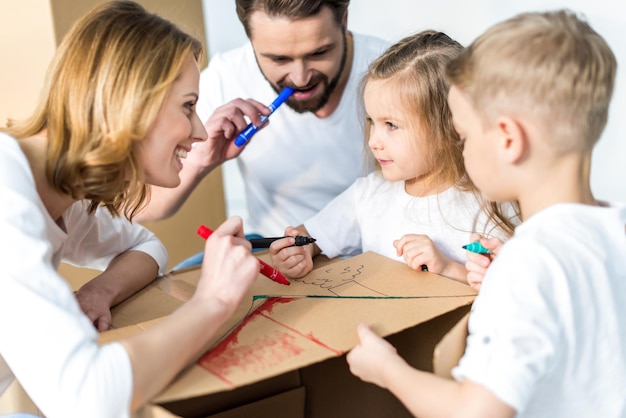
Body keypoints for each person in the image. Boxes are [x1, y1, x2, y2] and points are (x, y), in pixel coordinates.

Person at [347, 9, 626, 417]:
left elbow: (474, 412)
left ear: (509, 139)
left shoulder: (528, 264)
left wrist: (387, 370)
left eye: (462, 136)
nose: (461, 150)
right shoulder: (614, 230)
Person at [0, 2, 259, 416]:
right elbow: (89, 400)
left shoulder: (66, 196)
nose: (198, 130)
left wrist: (98, 291)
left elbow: (145, 245)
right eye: (188, 106)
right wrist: (214, 302)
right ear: (131, 103)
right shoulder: (6, 193)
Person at [268, 30, 516, 284]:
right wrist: (298, 250)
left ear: (449, 126)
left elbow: (508, 291)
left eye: (391, 125)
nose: (373, 141)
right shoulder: (367, 196)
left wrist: (447, 267)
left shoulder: (490, 205)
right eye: (371, 122)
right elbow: (309, 235)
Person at [136, 0, 389, 240]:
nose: (300, 78)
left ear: (344, 21)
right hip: (275, 250)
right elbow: (142, 208)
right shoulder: (227, 78)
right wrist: (200, 160)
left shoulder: (399, 73)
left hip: (378, 250)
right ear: (250, 39)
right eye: (279, 59)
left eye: (319, 52)